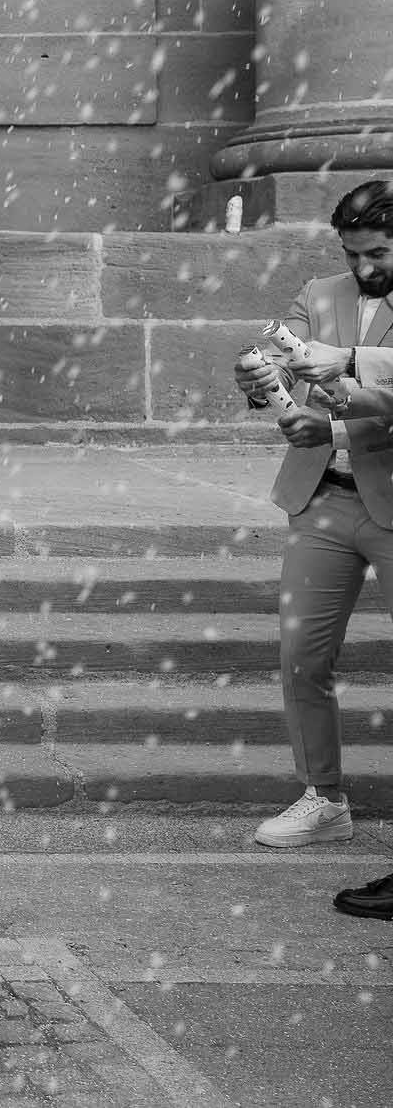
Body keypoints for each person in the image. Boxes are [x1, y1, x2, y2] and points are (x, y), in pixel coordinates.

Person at [233, 178, 393, 848]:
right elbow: (280, 351)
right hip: (322, 497)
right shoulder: (318, 293)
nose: (364, 268)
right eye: (353, 253)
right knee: (302, 656)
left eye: (379, 252)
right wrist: (256, 378)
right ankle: (323, 798)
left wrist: (339, 413)